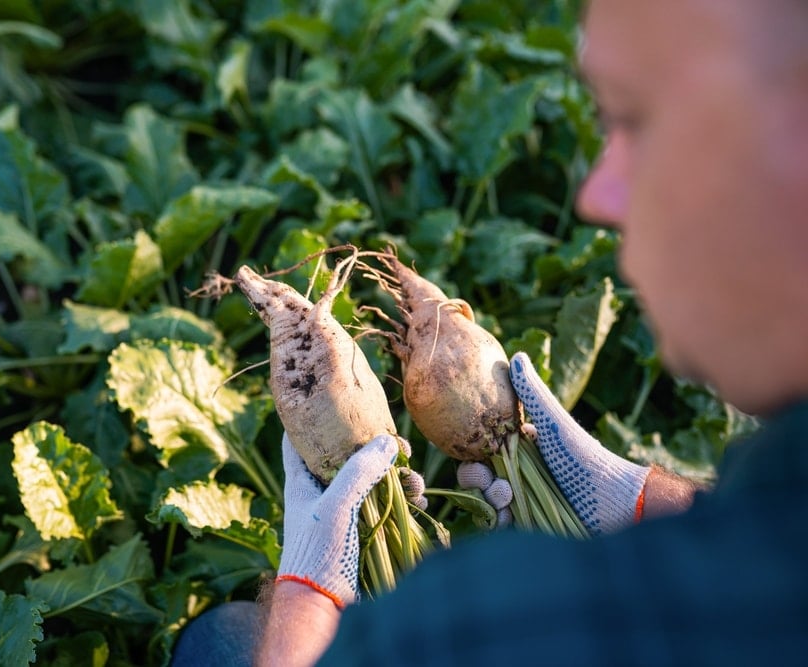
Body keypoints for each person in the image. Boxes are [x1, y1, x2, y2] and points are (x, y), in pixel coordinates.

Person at [171, 0, 808, 664]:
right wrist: (640, 498)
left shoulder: (469, 625)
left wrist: (307, 592)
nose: (597, 194)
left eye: (636, 121)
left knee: (223, 641)